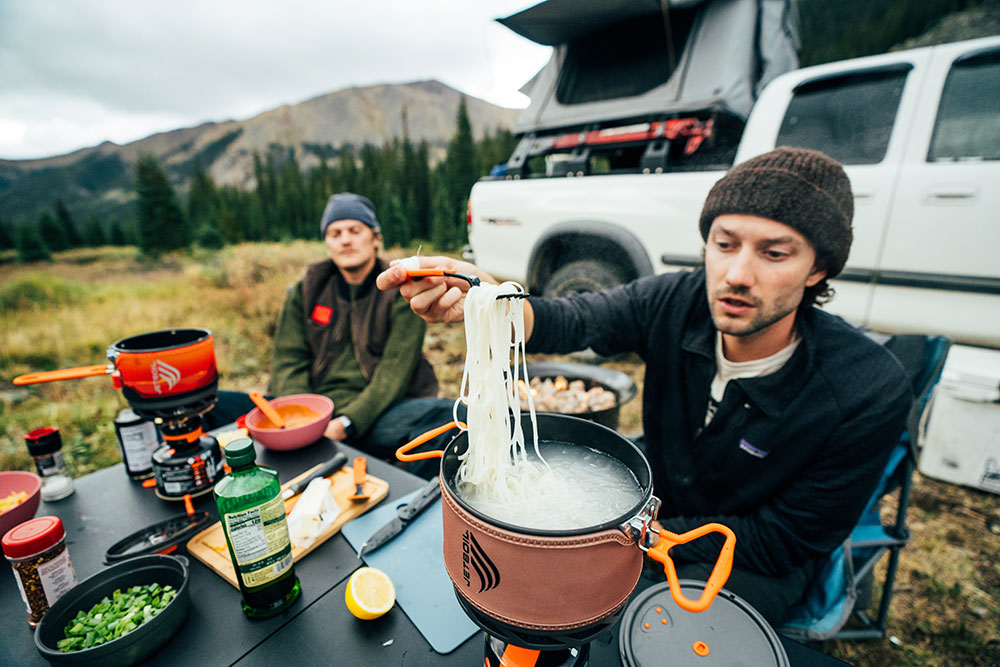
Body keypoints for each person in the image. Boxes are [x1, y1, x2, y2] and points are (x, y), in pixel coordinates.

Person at [375, 147, 912, 624]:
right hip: (654, 501)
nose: (736, 274)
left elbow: (786, 540)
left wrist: (636, 536)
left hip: (746, 555)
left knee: (651, 623)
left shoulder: (867, 389)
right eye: (724, 244)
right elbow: (576, 319)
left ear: (818, 269)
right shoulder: (675, 301)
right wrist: (488, 300)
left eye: (774, 253)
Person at [268, 192, 460, 477]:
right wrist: (305, 421)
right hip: (315, 413)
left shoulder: (404, 289)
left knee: (453, 418)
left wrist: (346, 423)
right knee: (218, 406)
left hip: (379, 413)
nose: (345, 240)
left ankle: (408, 492)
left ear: (376, 238)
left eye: (355, 230)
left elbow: (394, 371)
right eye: (335, 233)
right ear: (327, 243)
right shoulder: (306, 289)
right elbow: (288, 360)